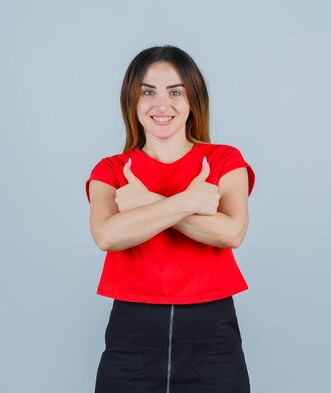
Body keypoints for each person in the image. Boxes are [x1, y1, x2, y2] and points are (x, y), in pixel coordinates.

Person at [85, 45, 256, 393]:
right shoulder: (111, 170)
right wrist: (191, 201)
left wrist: (144, 202)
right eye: (148, 92)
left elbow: (231, 232)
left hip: (213, 340)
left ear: (193, 100)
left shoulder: (224, 159)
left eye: (175, 91)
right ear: (132, 101)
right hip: (131, 338)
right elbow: (107, 236)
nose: (161, 104)